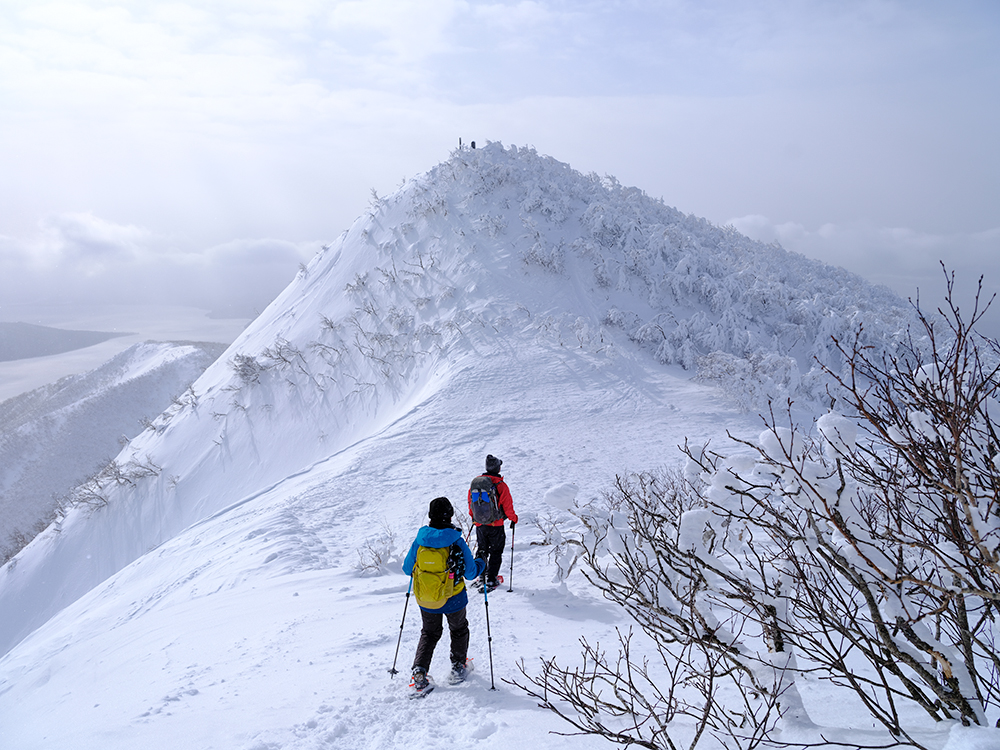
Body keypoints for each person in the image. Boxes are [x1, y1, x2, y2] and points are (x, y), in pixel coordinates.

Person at [403, 497, 485, 694]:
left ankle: (420, 673)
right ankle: (458, 667)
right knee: (458, 629)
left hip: (426, 599)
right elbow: (472, 573)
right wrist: (482, 561)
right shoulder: (455, 540)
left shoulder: (420, 539)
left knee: (429, 633)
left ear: (430, 516)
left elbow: (407, 569)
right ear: (450, 515)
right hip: (453, 597)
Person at [468, 454, 518, 592]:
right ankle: (491, 579)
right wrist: (513, 519)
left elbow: (470, 503)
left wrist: (474, 518)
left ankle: (482, 576)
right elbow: (507, 506)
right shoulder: (500, 485)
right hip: (496, 525)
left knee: (482, 549)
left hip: (480, 525)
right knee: (496, 551)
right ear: (498, 468)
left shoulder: (476, 483)